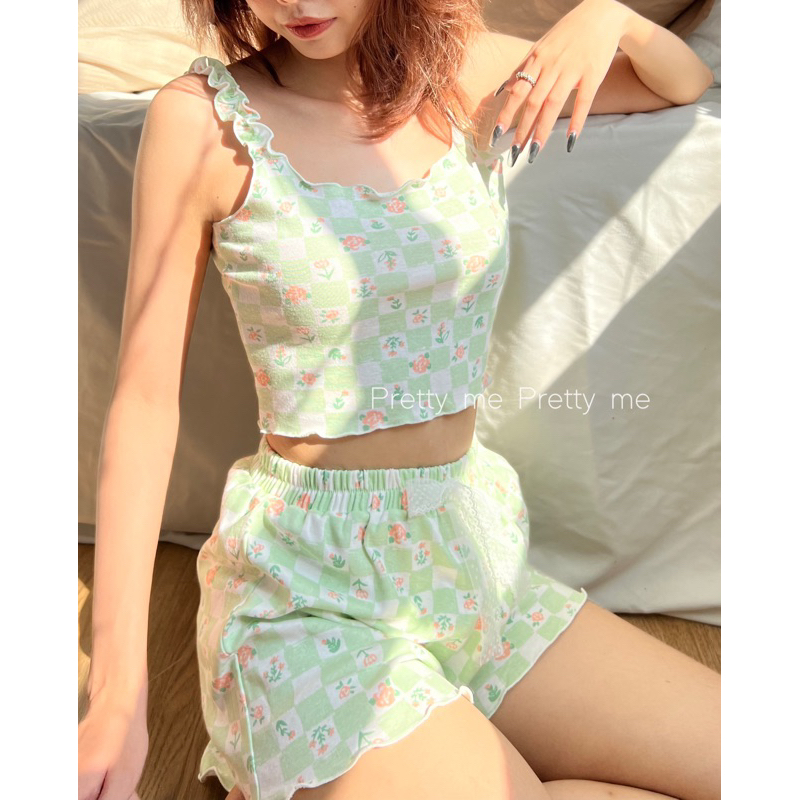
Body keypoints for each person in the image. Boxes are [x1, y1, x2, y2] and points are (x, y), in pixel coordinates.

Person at [77, 1, 719, 799]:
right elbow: (144, 402)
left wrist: (608, 18)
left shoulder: (459, 73)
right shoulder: (202, 122)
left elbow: (681, 81)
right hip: (308, 599)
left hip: (468, 562)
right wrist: (116, 693)